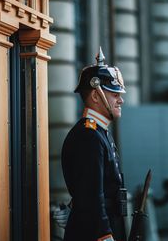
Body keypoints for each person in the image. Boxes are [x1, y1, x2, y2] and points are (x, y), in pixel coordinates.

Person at [60, 48, 128, 241]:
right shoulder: (88, 136)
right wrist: (104, 235)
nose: (121, 100)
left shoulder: (98, 132)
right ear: (96, 96)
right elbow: (91, 197)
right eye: (115, 94)